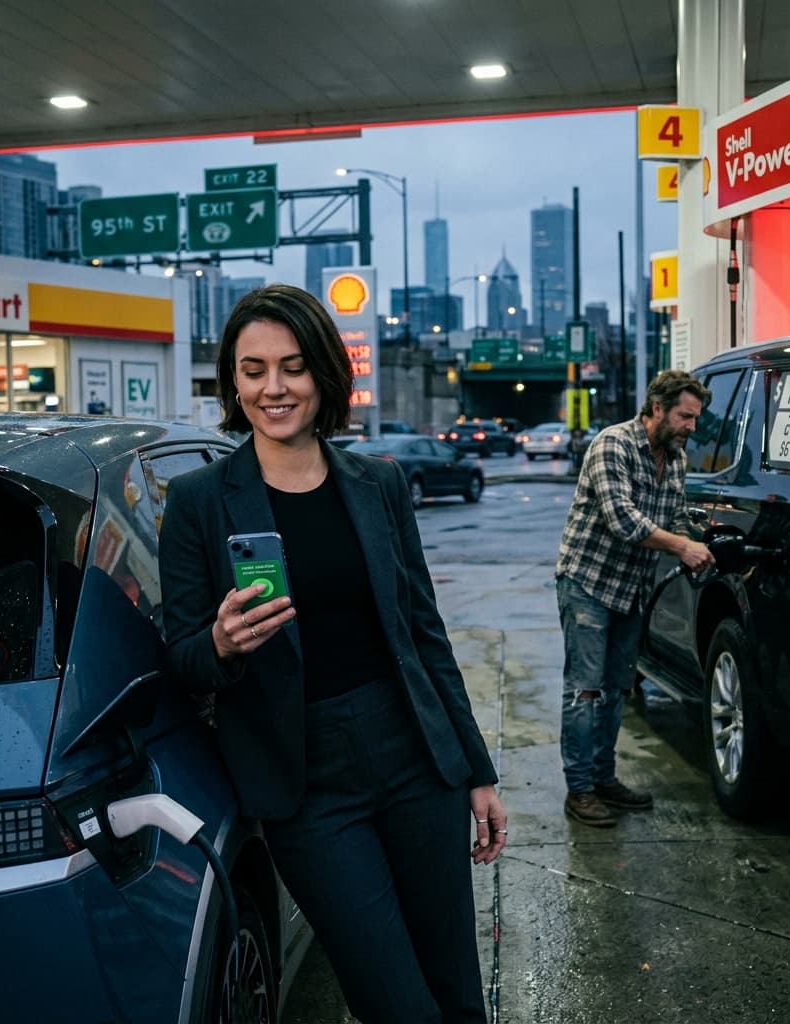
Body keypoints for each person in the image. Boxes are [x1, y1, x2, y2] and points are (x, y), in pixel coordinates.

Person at [159, 283, 506, 1023]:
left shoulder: (377, 482)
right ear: (232, 380)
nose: (273, 388)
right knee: (394, 1002)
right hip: (307, 785)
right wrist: (220, 643)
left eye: (291, 367)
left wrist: (476, 770)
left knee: (457, 994)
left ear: (323, 372)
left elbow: (424, 631)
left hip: (415, 758)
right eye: (253, 370)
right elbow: (182, 660)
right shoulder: (198, 501)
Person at [555, 370, 715, 828]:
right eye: (685, 416)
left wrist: (692, 541)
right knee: (585, 689)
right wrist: (681, 547)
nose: (691, 427)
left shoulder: (677, 458)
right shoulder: (613, 445)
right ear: (657, 408)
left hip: (632, 590)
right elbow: (622, 520)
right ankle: (580, 789)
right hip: (587, 583)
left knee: (617, 690)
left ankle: (604, 778)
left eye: (695, 418)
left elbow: (677, 514)